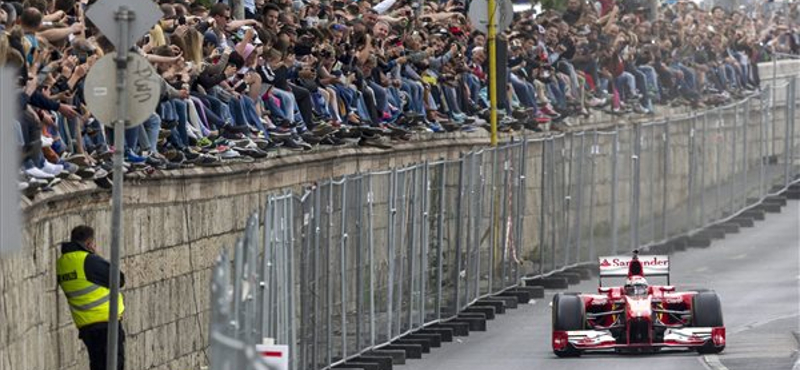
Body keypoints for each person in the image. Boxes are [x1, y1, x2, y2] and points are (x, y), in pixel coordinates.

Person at [56, 226, 126, 370]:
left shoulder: (62, 263)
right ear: (88, 244)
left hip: (87, 327)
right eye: (93, 243)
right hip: (106, 324)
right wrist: (96, 256)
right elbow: (119, 279)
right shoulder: (88, 261)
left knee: (98, 365)